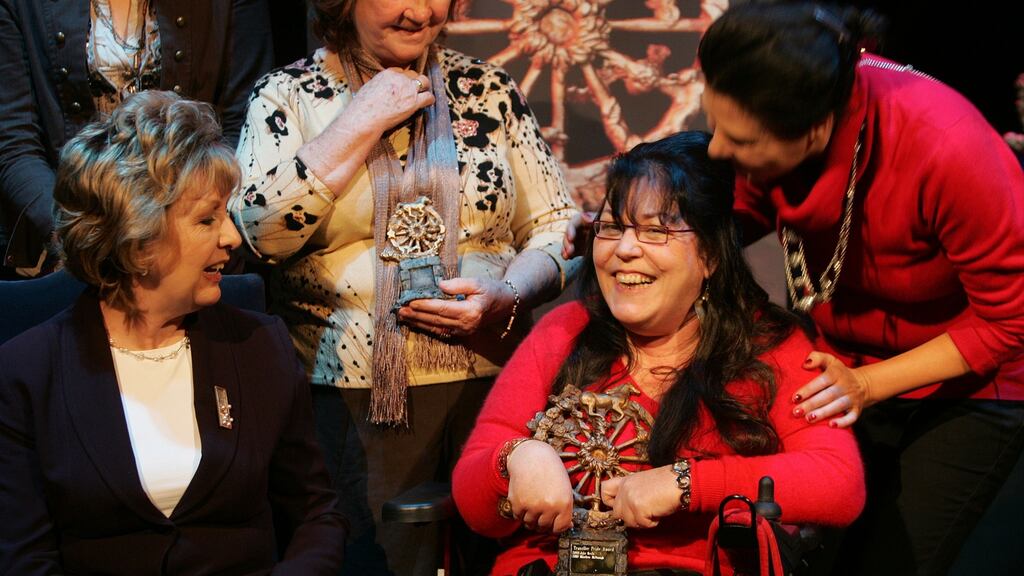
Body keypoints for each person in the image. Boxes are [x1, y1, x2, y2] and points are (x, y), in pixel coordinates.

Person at [558, 2, 1024, 574]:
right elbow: (733, 213)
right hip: (842, 363)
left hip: (966, 378)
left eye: (742, 139)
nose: (720, 149)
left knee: (889, 558)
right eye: (716, 122)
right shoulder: (774, 95)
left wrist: (868, 383)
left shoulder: (947, 149)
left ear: (816, 130)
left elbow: (1009, 320)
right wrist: (637, 235)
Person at [229, 0, 579, 573]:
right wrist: (359, 120)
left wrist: (509, 294)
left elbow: (555, 222)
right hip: (351, 394)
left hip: (492, 382)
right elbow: (262, 232)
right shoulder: (288, 96)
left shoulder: (486, 87)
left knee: (502, 558)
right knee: (371, 560)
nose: (421, 10)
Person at [454, 131, 865, 575]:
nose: (626, 250)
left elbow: (838, 483)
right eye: (612, 228)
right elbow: (474, 505)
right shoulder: (565, 331)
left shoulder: (768, 345)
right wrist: (515, 459)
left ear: (709, 255)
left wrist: (685, 484)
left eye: (655, 230)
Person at [0, 91, 345, 574]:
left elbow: (315, 516)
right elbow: (24, 557)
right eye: (207, 219)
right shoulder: (27, 372)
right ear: (136, 238)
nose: (230, 237)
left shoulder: (258, 346)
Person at [0, 0, 273, 277]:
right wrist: (82, 234)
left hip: (193, 246)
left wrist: (193, 224)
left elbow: (244, 124)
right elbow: (15, 144)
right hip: (74, 246)